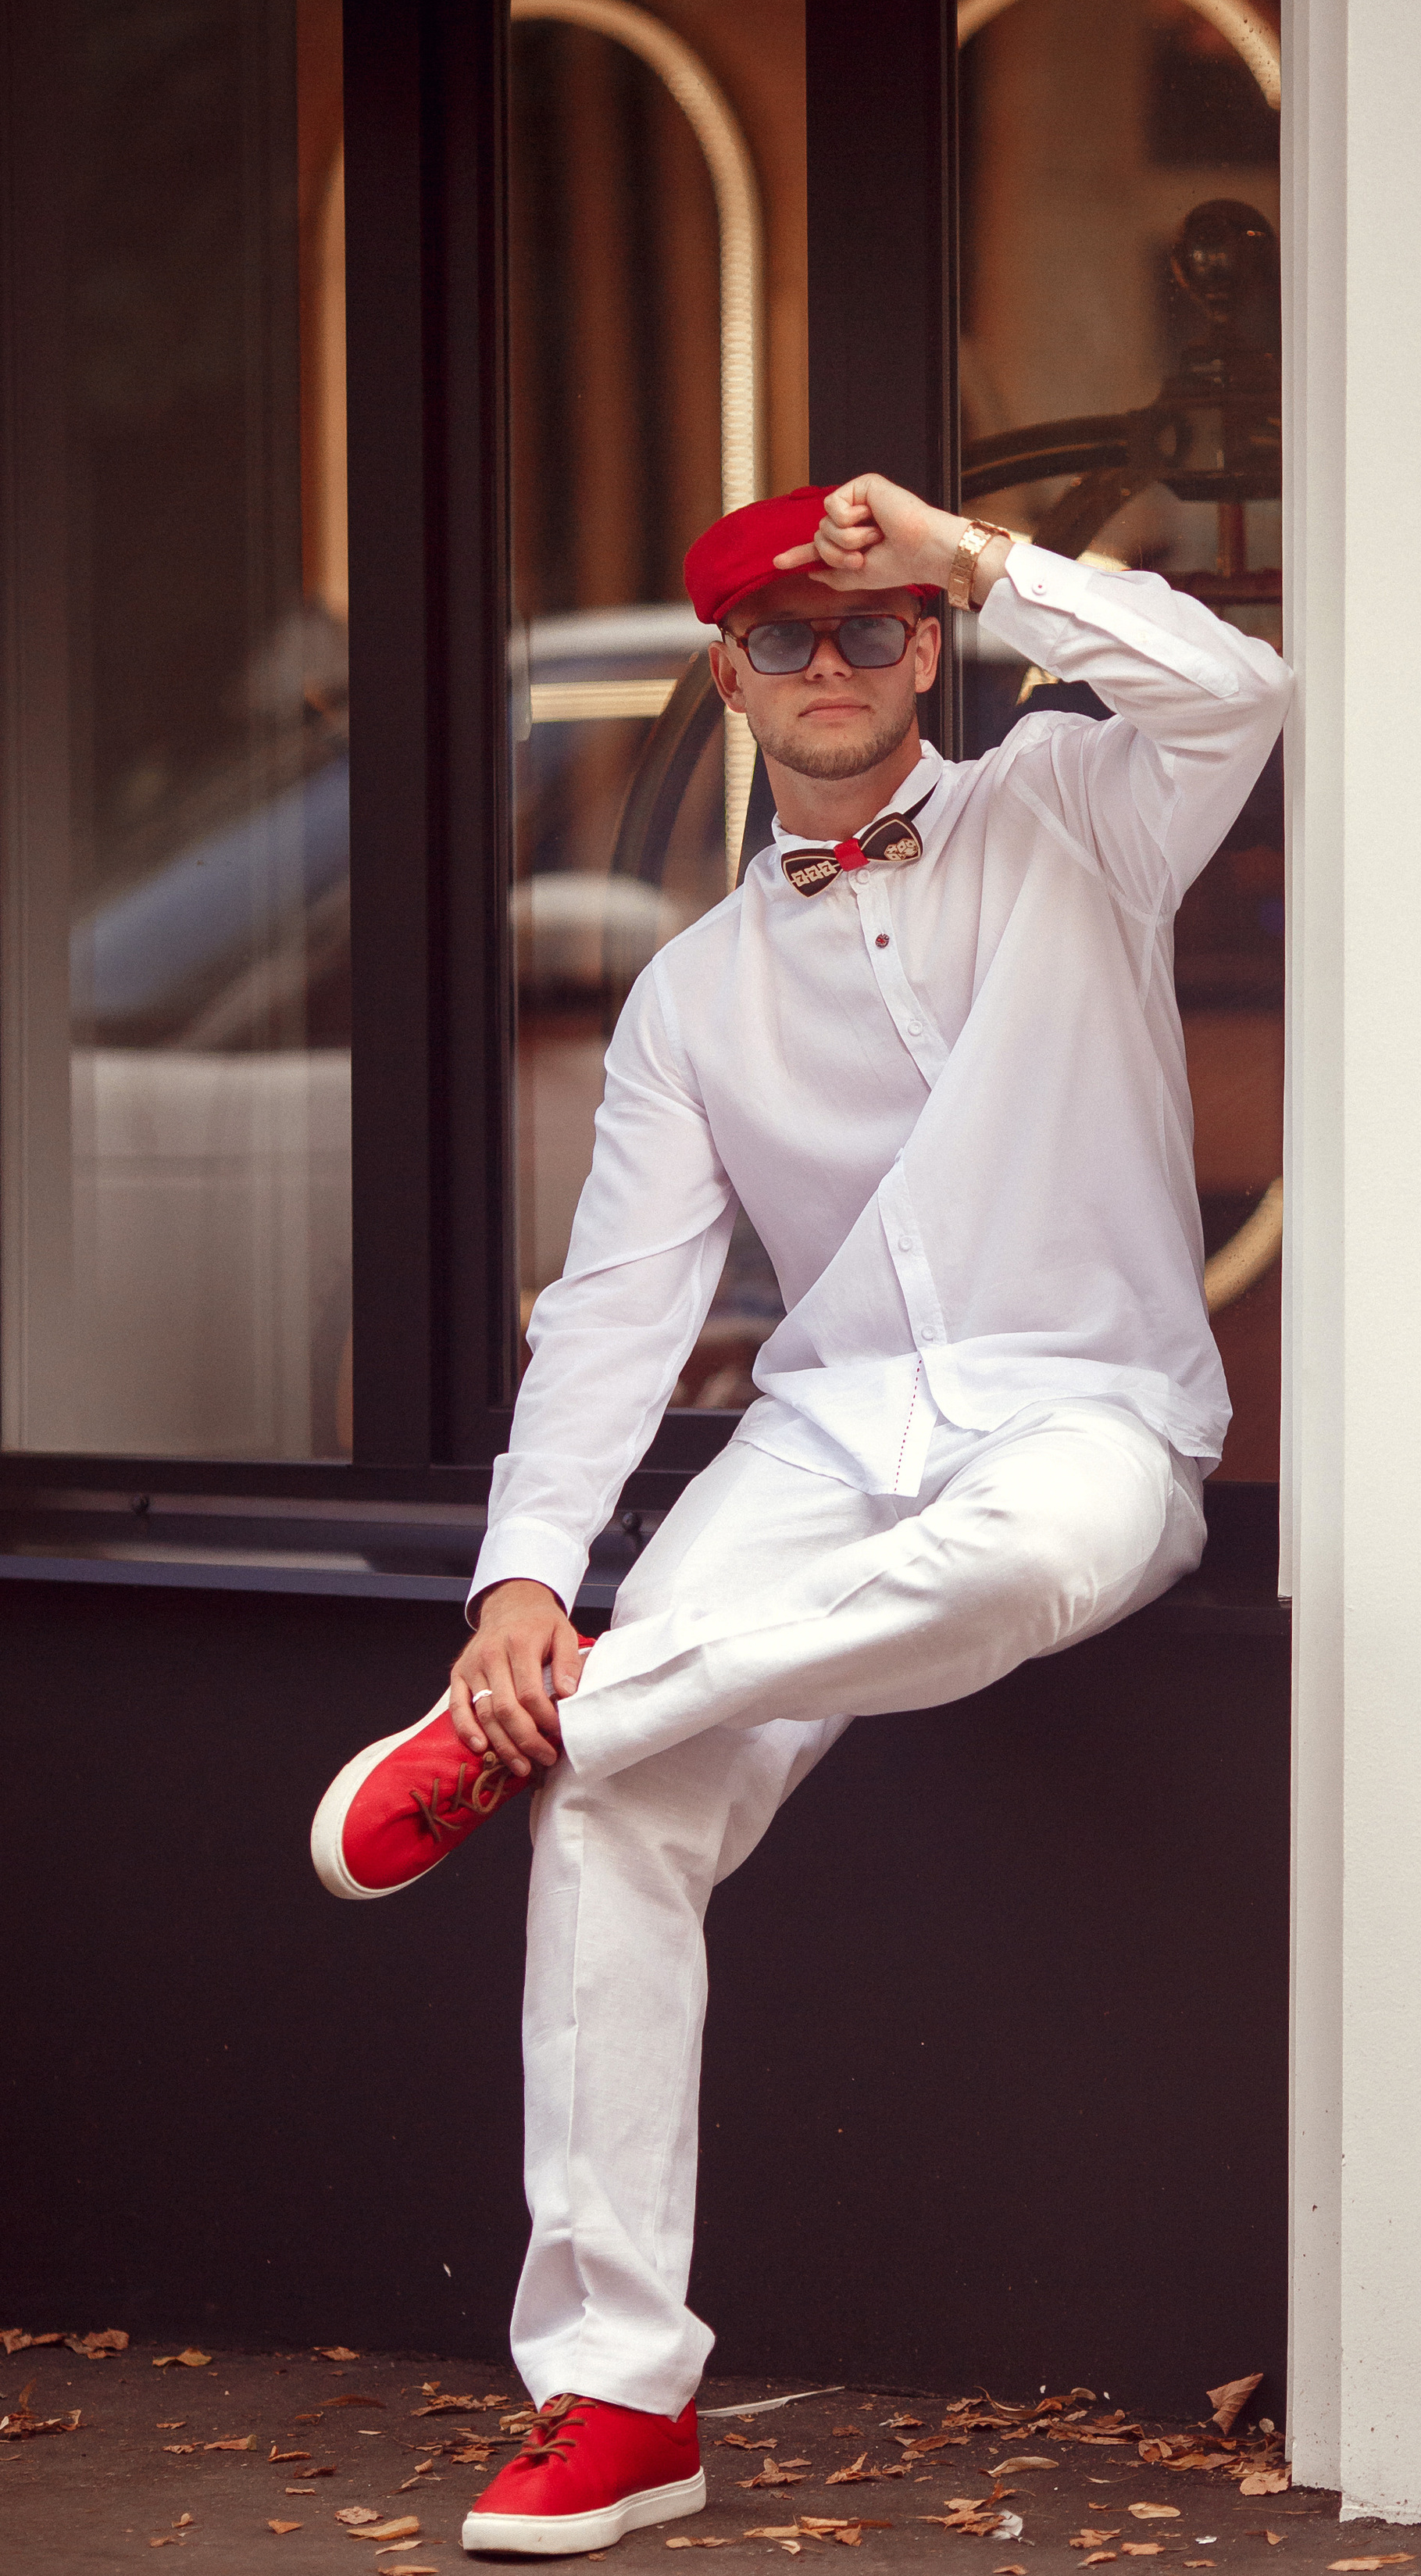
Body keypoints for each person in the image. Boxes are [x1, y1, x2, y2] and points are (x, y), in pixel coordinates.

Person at [309, 473, 1292, 2559]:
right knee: (617, 1812)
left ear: (922, 647)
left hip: (1087, 1418)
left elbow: (1238, 689)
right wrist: (516, 1590)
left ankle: (603, 1702)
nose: (830, 668)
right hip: (826, 1440)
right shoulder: (687, 1000)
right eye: (785, 639)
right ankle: (617, 2402)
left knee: (1021, 1566)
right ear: (731, 677)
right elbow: (613, 1317)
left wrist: (987, 556)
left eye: (867, 631)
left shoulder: (1071, 818)